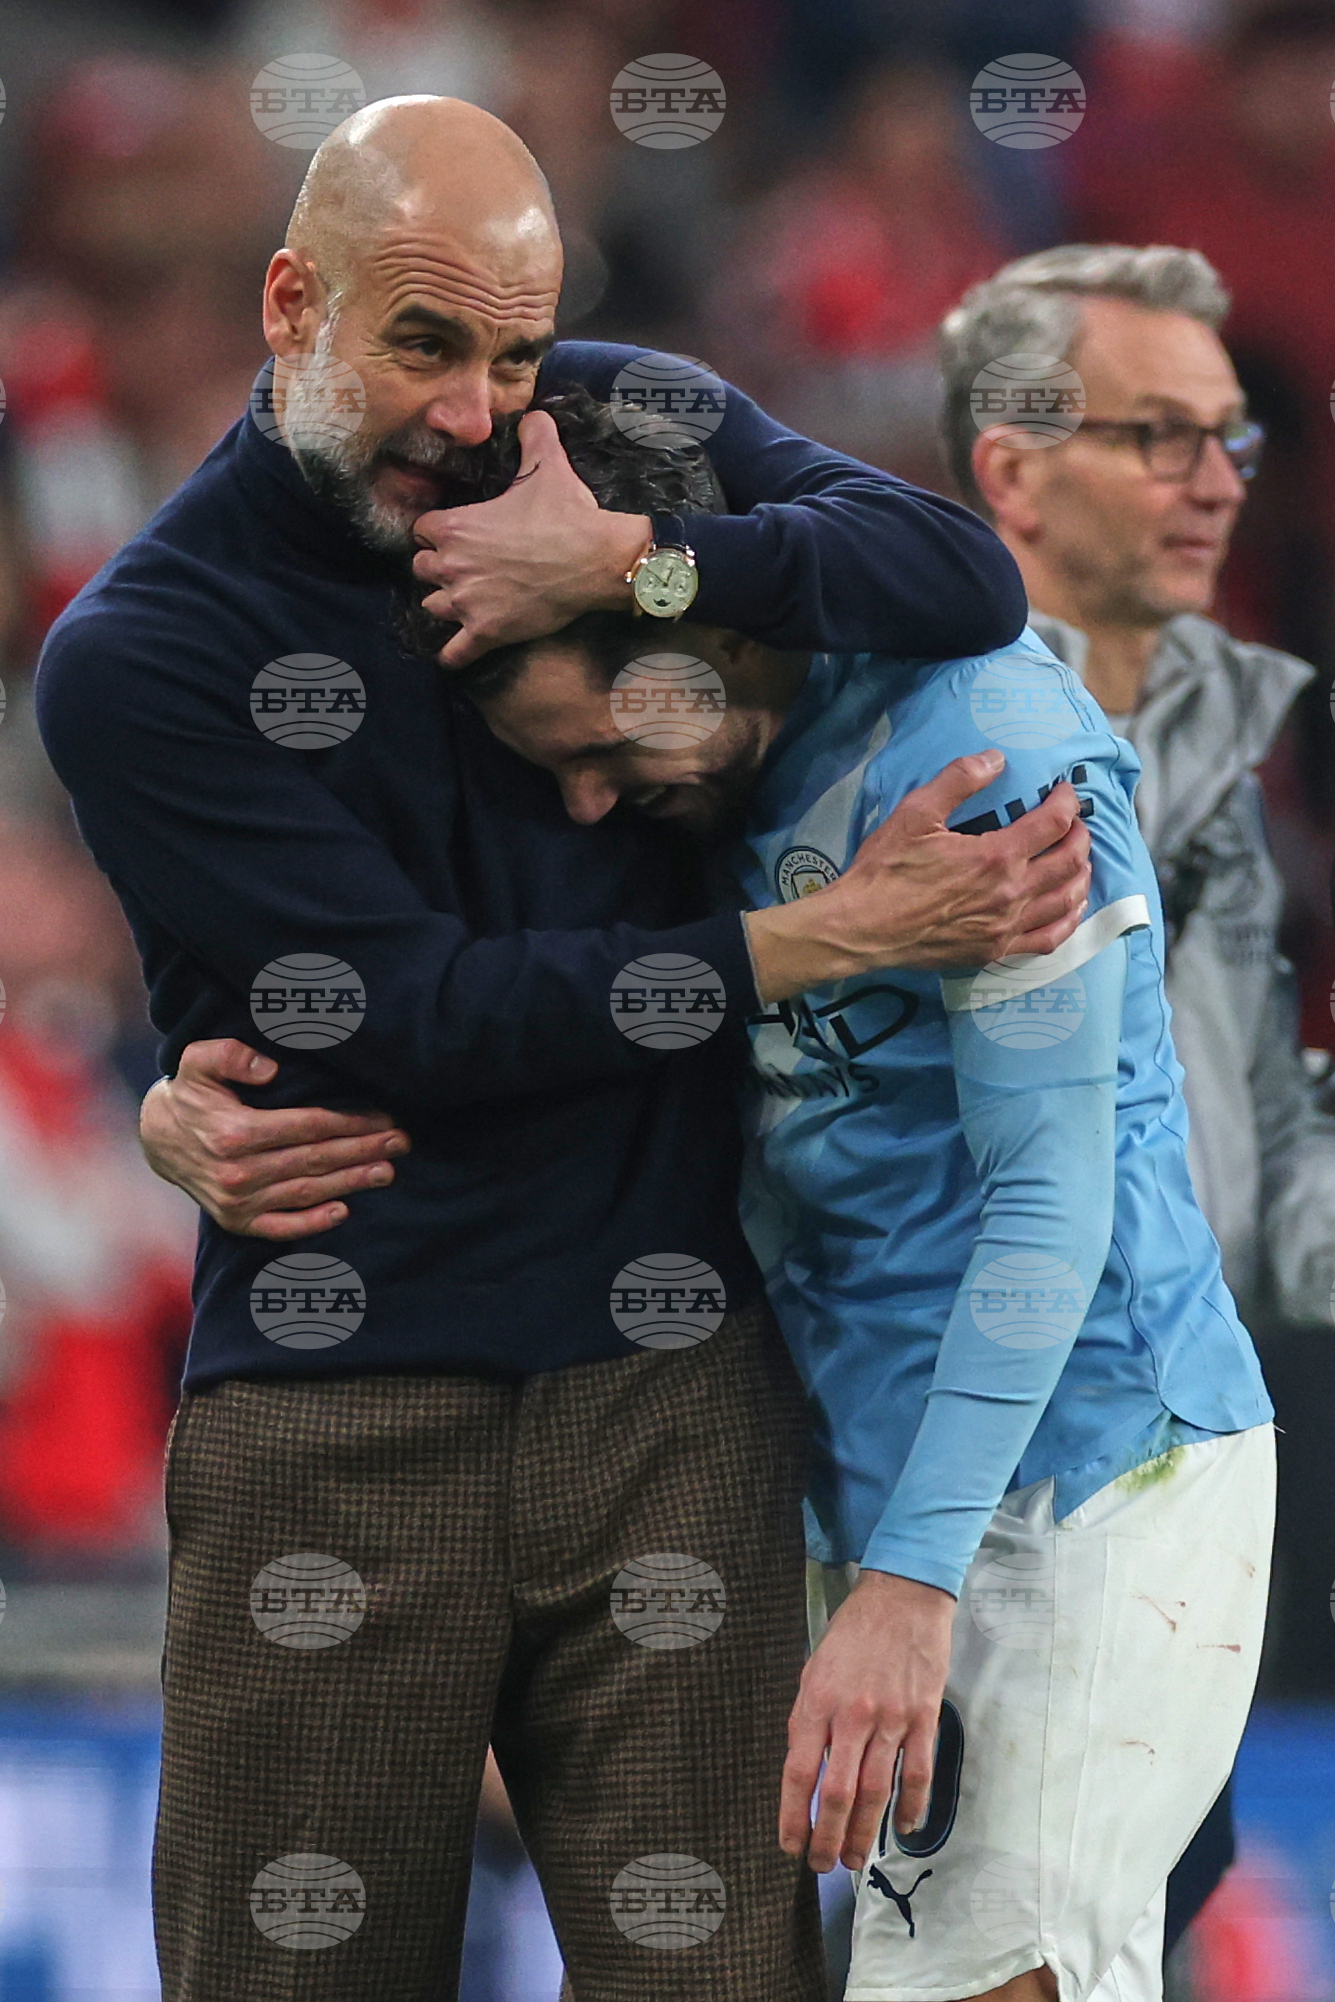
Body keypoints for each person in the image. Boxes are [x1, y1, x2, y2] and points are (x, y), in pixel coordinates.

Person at [36, 97, 1087, 2001]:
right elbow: (422, 1015)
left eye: (513, 350)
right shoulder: (150, 648)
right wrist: (831, 934)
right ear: (295, 301)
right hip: (342, 1415)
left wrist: (642, 561)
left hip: (675, 1389)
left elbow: (961, 575)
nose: (477, 410)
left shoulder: (605, 433)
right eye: (423, 346)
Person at [154, 393, 1271, 2002]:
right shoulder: (716, 777)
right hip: (875, 1492)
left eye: (613, 749)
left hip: (1094, 1472)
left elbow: (1046, 1201)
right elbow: (477, 1004)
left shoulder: (989, 760)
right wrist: (175, 1100)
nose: (597, 803)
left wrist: (911, 1584)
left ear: (707, 635)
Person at [941, 241, 1335, 1928]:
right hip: (992, 1511)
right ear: (1011, 469)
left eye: (1230, 440)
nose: (1212, 484)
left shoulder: (1198, 737)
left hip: (1188, 1468)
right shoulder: (935, 744)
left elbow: (1243, 1130)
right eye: (1157, 436)